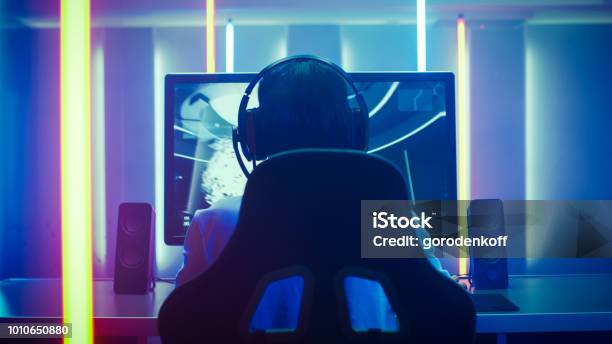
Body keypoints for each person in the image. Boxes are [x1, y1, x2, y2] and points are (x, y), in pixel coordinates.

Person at [176, 56, 452, 331]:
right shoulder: (387, 223)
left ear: (253, 136)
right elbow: (446, 309)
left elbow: (185, 324)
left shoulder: (214, 222)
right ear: (356, 132)